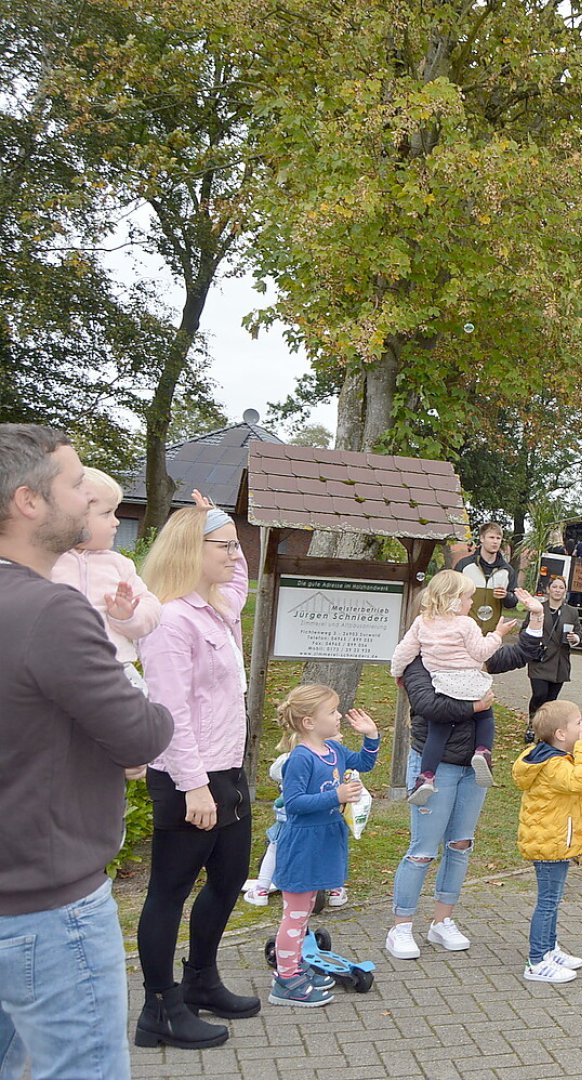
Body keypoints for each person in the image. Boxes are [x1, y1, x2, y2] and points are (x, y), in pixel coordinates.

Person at [0, 425, 173, 1078]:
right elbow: (142, 733)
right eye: (76, 485)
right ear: (28, 502)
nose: (92, 500)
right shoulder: (54, 612)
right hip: (49, 911)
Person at [135, 495, 260, 1050]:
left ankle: (202, 980)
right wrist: (194, 786)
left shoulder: (216, 607)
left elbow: (240, 585)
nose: (236, 555)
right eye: (225, 546)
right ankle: (159, 1008)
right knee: (170, 890)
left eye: (236, 546)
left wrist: (223, 521)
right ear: (192, 549)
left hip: (227, 767)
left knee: (230, 878)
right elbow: (170, 712)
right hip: (190, 774)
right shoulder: (168, 620)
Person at [388, 606, 548, 961]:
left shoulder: (469, 658)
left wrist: (535, 619)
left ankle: (442, 922)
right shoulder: (419, 664)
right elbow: (430, 707)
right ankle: (400, 926)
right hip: (437, 763)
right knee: (423, 849)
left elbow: (520, 654)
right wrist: (476, 706)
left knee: (460, 845)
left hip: (471, 767)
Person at [267, 685, 379, 1007]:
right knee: (296, 912)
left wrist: (371, 737)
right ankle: (286, 981)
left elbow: (364, 763)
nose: (339, 716)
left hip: (327, 840)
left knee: (304, 910)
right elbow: (295, 802)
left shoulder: (333, 750)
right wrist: (337, 796)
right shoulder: (300, 758)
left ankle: (295, 965)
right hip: (304, 845)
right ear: (308, 723)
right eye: (331, 712)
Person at [390, 569, 517, 803]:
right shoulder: (466, 624)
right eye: (469, 598)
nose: (471, 602)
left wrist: (398, 673)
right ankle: (482, 751)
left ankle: (426, 777)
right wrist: (498, 634)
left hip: (443, 685)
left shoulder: (422, 622)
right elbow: (482, 652)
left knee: (437, 733)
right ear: (456, 600)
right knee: (485, 717)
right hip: (470, 683)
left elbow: (403, 652)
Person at [50, 467, 162, 688]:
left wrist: (127, 617)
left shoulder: (118, 565)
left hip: (115, 668)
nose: (116, 522)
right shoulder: (47, 561)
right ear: (72, 514)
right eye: (106, 513)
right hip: (57, 671)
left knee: (137, 713)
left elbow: (153, 608)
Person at [514, 699, 582, 984]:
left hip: (555, 841)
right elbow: (579, 782)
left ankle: (550, 950)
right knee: (548, 902)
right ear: (561, 735)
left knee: (553, 900)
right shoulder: (552, 764)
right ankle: (537, 961)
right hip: (550, 843)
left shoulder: (553, 757)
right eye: (578, 723)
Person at [241, 751, 351, 909]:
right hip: (322, 817)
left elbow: (276, 776)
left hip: (292, 820)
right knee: (329, 849)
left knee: (275, 848)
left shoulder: (290, 759)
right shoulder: (327, 758)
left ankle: (261, 889)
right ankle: (336, 889)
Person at [518, 579, 581, 715]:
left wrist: (575, 638)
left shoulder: (571, 612)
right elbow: (524, 630)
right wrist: (533, 642)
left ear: (565, 591)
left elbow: (578, 632)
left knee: (551, 700)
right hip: (540, 659)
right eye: (554, 587)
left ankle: (544, 730)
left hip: (559, 663)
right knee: (539, 695)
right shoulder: (538, 608)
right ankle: (532, 725)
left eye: (561, 587)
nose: (558, 590)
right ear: (548, 589)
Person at [455, 521, 518, 610]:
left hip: (494, 623)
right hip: (466, 622)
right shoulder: (464, 565)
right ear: (482, 538)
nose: (495, 542)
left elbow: (512, 603)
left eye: (498, 538)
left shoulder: (507, 570)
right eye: (491, 537)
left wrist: (506, 596)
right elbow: (452, 594)